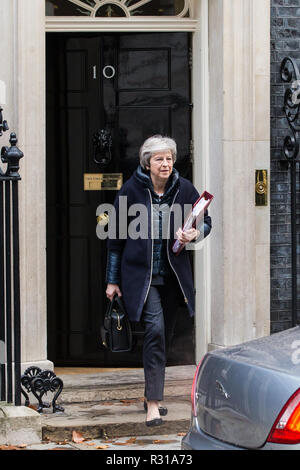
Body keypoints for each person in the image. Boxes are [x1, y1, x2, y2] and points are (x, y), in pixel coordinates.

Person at [105, 135, 212, 427]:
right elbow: (115, 239)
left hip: (174, 279)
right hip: (142, 278)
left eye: (168, 158)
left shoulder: (185, 188)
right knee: (154, 330)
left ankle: (151, 391)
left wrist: (195, 234)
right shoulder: (130, 190)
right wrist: (112, 280)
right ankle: (154, 404)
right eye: (158, 159)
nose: (165, 164)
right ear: (147, 163)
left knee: (164, 336)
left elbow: (206, 221)